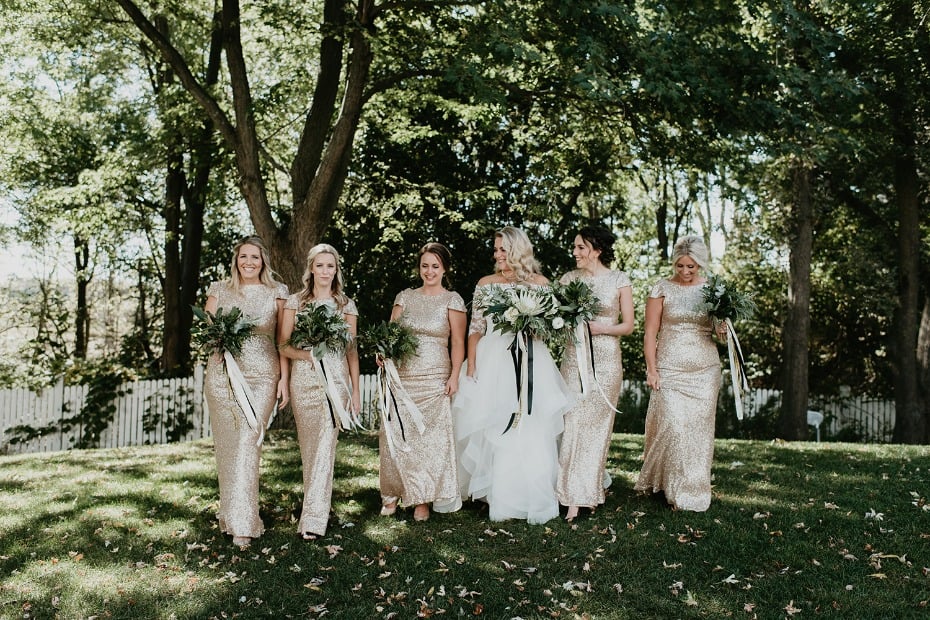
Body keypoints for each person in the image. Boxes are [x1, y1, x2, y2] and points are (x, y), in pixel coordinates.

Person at [452, 226, 572, 524]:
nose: (497, 255)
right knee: (497, 424)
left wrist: (532, 326)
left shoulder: (541, 284)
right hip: (494, 360)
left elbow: (548, 330)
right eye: (495, 250)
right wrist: (471, 365)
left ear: (518, 251)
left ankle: (533, 496)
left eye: (503, 249)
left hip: (532, 362)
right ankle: (497, 495)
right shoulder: (486, 284)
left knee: (532, 425)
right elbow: (476, 328)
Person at [203, 236, 289, 548]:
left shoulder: (278, 293)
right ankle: (231, 515)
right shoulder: (219, 289)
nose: (249, 262)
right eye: (243, 257)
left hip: (263, 375)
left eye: (255, 257)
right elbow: (209, 332)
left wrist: (284, 380)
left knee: (248, 441)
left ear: (263, 261)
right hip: (222, 375)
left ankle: (244, 522)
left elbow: (283, 340)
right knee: (227, 447)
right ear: (236, 260)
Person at [633, 235, 725, 512]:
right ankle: (672, 486)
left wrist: (724, 330)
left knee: (698, 432)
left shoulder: (714, 291)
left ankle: (693, 490)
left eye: (691, 267)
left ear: (700, 265)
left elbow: (721, 335)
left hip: (705, 369)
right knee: (673, 425)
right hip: (669, 367)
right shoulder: (661, 288)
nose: (684, 272)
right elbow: (650, 332)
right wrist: (652, 369)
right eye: (680, 266)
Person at [379, 242, 467, 522]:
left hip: (434, 378)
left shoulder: (452, 300)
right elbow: (390, 334)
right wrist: (382, 352)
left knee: (429, 440)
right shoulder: (404, 297)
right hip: (401, 376)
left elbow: (457, 342)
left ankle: (423, 499)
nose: (429, 271)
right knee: (395, 433)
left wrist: (454, 375)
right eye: (425, 265)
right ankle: (391, 494)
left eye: (435, 266)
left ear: (445, 269)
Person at [279, 244, 361, 539]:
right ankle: (315, 508)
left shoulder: (346, 305)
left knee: (326, 446)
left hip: (336, 383)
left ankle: (313, 519)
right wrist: (308, 357)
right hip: (304, 381)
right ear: (311, 268)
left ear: (336, 270)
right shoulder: (295, 303)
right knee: (310, 448)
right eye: (320, 265)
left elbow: (351, 352)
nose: (326, 271)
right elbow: (283, 346)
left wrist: (356, 392)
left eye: (331, 266)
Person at [557, 226, 634, 521]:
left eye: (580, 247)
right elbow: (558, 318)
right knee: (573, 423)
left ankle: (586, 493)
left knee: (597, 428)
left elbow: (628, 325)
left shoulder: (619, 280)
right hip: (574, 359)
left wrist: (601, 328)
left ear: (597, 250)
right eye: (575, 247)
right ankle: (568, 494)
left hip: (606, 360)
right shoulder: (568, 280)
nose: (575, 253)